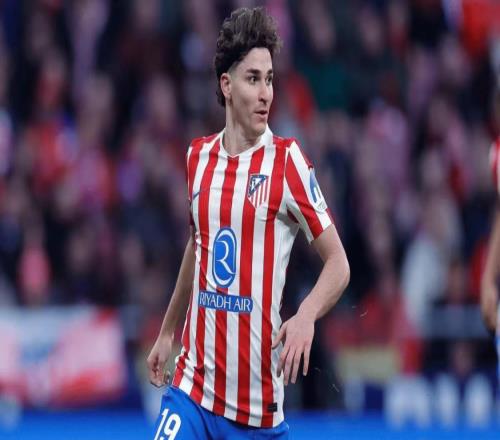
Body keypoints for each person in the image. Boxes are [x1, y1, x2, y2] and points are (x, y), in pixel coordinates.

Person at [146, 7, 350, 439]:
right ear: (227, 85)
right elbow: (199, 243)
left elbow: (339, 264)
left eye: (270, 79)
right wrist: (167, 332)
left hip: (256, 412)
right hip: (192, 391)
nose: (265, 94)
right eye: (253, 79)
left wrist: (306, 315)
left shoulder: (287, 163)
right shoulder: (198, 158)